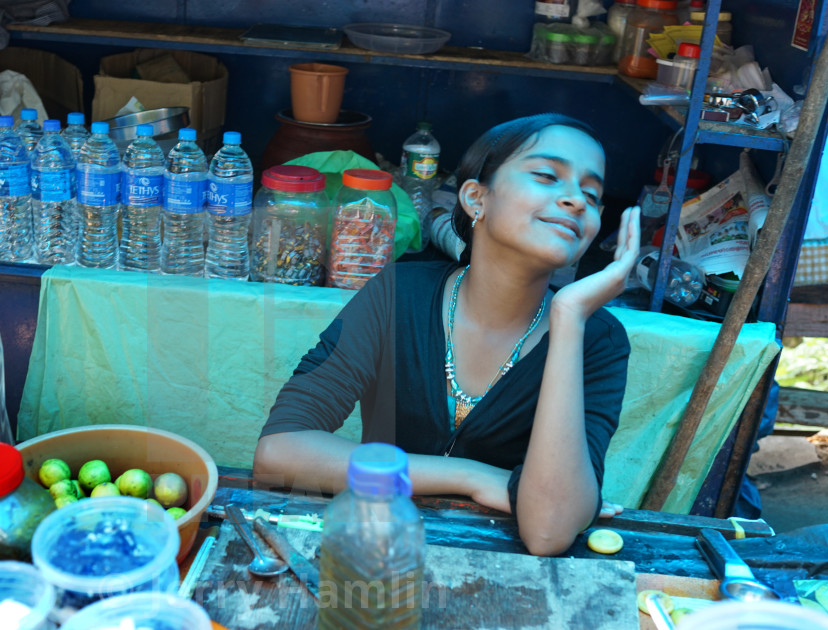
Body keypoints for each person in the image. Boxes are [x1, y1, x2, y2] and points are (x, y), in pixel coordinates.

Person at [253, 113, 642, 556]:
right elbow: (279, 452)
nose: (575, 200)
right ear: (477, 198)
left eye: (592, 195)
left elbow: (549, 531)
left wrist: (570, 315)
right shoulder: (399, 295)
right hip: (375, 553)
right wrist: (472, 476)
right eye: (547, 176)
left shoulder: (598, 341)